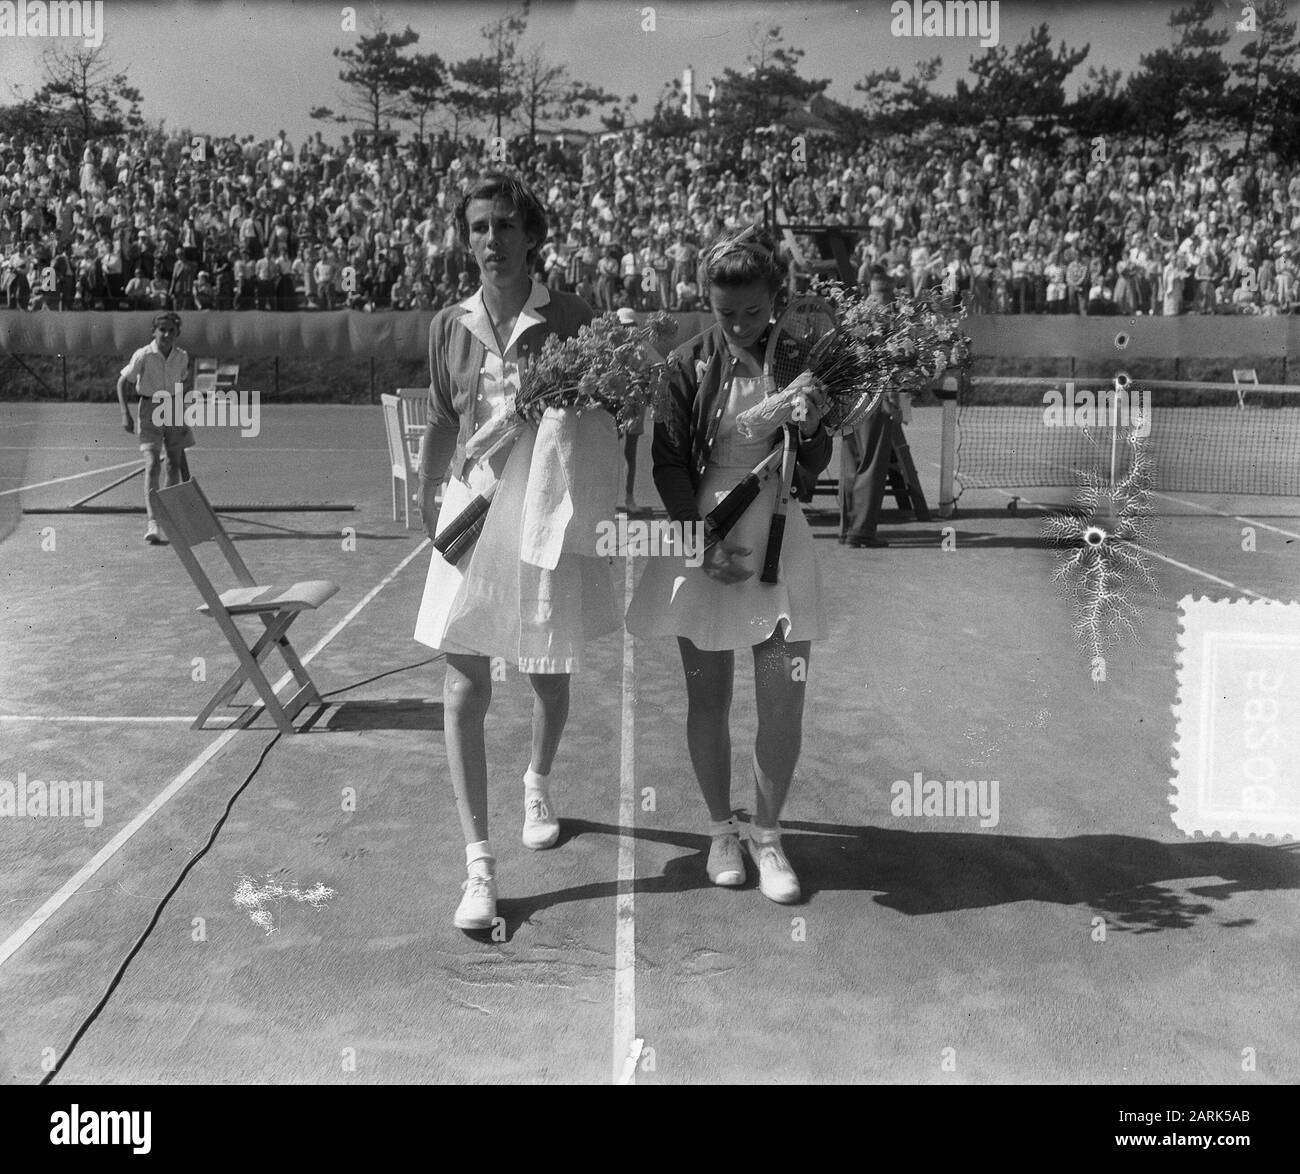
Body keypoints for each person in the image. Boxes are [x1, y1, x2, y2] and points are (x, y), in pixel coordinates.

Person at [414, 173, 619, 932]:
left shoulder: (571, 316)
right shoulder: (448, 324)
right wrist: (427, 495)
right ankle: (479, 865)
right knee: (463, 684)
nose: (491, 240)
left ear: (532, 234)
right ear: (464, 237)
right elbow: (441, 418)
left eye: (504, 225)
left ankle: (537, 779)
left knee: (547, 673)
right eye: (477, 227)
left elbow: (603, 422)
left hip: (542, 517)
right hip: (469, 514)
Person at [625, 225, 832, 904]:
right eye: (725, 313)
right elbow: (667, 460)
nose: (740, 324)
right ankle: (721, 831)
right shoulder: (685, 363)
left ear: (776, 297)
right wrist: (699, 543)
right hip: (705, 539)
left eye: (752, 311)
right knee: (707, 698)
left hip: (778, 540)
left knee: (782, 705)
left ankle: (768, 835)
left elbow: (814, 466)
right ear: (706, 303)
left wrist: (818, 422)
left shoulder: (803, 360)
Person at [115, 312, 193, 545]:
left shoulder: (182, 356)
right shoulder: (144, 355)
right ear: (154, 332)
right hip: (149, 410)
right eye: (163, 330)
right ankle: (153, 523)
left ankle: (167, 517)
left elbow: (180, 384)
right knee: (152, 465)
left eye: (171, 330)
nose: (167, 334)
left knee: (174, 464)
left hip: (173, 408)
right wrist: (125, 413)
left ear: (177, 333)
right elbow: (122, 381)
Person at [838, 267, 899, 548]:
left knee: (852, 464)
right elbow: (889, 362)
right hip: (874, 396)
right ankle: (861, 530)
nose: (884, 297)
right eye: (884, 291)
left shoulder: (855, 314)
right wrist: (890, 398)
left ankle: (847, 528)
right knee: (872, 463)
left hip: (849, 398)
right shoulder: (889, 318)